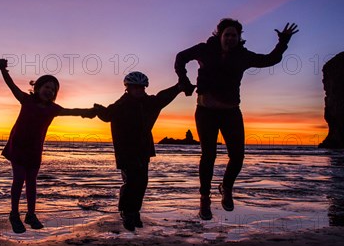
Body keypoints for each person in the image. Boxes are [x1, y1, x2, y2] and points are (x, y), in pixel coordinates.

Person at [175, 19, 298, 220]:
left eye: (234, 35)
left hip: (231, 112)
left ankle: (226, 187)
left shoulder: (243, 56)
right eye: (227, 34)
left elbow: (270, 60)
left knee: (238, 156)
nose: (230, 38)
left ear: (239, 38)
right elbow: (180, 57)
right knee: (209, 156)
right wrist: (183, 80)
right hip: (206, 112)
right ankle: (204, 199)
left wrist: (283, 42)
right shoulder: (204, 50)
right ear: (220, 36)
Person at [0, 60, 96, 233]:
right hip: (18, 147)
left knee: (32, 182)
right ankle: (14, 214)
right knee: (19, 179)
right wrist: (3, 70)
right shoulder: (26, 100)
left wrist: (88, 112)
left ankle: (31, 214)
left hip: (35, 150)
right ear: (37, 88)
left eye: (53, 90)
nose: (49, 91)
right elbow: (11, 86)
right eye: (47, 87)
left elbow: (72, 111)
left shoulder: (53, 109)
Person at [94, 71, 184, 231]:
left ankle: (134, 211)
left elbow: (163, 97)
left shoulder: (148, 102)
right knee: (132, 181)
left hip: (143, 149)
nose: (139, 91)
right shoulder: (120, 105)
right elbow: (107, 115)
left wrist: (178, 87)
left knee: (142, 182)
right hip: (126, 151)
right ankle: (126, 212)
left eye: (141, 88)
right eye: (135, 88)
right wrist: (96, 109)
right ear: (128, 88)